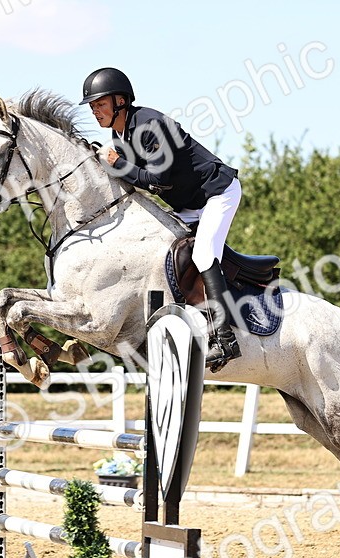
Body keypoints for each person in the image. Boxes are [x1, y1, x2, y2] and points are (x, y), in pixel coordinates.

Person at [80, 67, 242, 371]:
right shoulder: (119, 135)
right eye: (92, 107)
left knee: (204, 254)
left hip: (217, 194)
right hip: (187, 204)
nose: (95, 112)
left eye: (99, 104)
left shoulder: (149, 125)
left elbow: (158, 180)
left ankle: (225, 339)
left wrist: (118, 164)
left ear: (120, 101)